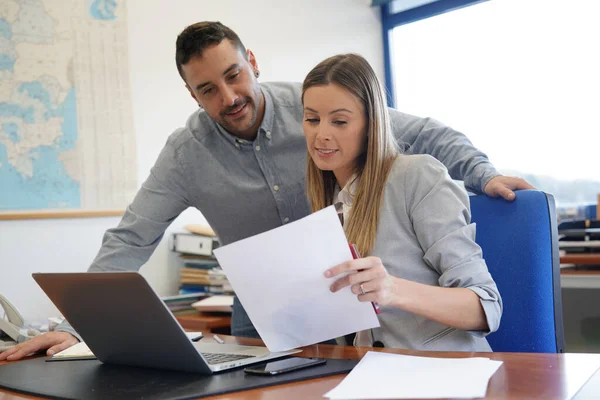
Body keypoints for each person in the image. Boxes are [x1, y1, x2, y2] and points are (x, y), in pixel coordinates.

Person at [1, 21, 527, 361]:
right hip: (270, 315)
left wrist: (482, 175)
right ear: (192, 93)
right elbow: (130, 239)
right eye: (208, 88)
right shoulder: (186, 152)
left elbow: (423, 133)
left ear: (252, 60)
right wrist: (76, 324)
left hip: (363, 311)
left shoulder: (317, 106)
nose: (229, 96)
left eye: (234, 75)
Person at [303, 53, 502, 350]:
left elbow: (486, 306)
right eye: (312, 119)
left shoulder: (417, 176)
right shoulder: (329, 199)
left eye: (340, 121)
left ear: (371, 124)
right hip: (371, 371)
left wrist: (391, 289)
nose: (322, 134)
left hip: (443, 370)